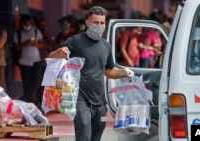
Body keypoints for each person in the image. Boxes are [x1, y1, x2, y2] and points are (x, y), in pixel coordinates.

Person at [48, 6, 134, 141]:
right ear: (88, 23)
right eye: (95, 23)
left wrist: (124, 72)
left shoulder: (106, 46)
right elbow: (51, 57)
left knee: (98, 132)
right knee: (84, 133)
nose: (99, 26)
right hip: (80, 97)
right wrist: (59, 53)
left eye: (102, 23)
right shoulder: (75, 41)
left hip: (99, 100)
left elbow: (109, 71)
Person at [13, 14, 43, 103]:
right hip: (24, 61)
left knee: (37, 80)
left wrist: (35, 44)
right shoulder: (17, 33)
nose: (27, 23)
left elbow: (42, 45)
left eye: (29, 21)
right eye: (25, 21)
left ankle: (25, 98)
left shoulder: (36, 31)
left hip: (36, 59)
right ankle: (29, 102)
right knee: (26, 83)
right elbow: (16, 48)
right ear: (22, 22)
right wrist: (26, 44)